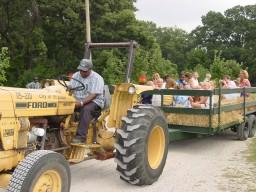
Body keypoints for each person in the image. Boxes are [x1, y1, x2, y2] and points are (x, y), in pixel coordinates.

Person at [70, 59, 104, 144]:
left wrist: (81, 103)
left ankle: (81, 137)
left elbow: (94, 95)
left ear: (90, 69)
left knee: (86, 109)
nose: (82, 72)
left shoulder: (97, 78)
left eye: (84, 71)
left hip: (94, 101)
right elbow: (70, 89)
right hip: (77, 100)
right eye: (81, 70)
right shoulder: (75, 75)